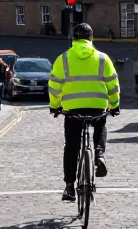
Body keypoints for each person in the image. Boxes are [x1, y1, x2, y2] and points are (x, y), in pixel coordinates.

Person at [49, 23, 120, 203]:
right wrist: (114, 106)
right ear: (91, 38)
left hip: (73, 109)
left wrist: (55, 106)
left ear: (74, 39)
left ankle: (69, 187)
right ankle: (99, 154)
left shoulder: (63, 59)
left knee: (71, 147)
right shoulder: (103, 58)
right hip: (97, 105)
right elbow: (113, 85)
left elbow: (54, 87)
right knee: (100, 125)